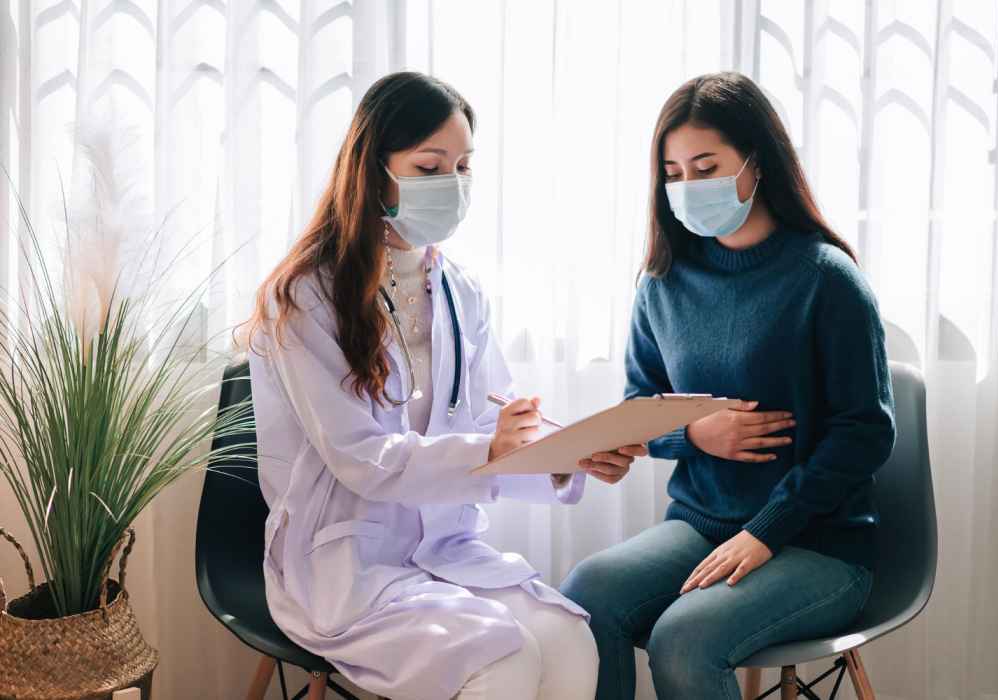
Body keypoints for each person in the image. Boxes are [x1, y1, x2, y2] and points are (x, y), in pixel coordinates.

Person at [243, 71, 645, 700]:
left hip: (444, 547)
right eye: (430, 167)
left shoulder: (460, 292)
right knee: (500, 658)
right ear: (373, 170)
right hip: (349, 563)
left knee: (569, 637)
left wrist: (569, 457)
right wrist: (490, 449)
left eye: (462, 167)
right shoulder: (303, 297)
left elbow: (496, 429)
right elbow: (361, 459)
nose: (452, 186)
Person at [560, 71, 896, 700]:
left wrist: (768, 529)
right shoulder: (663, 283)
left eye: (706, 166)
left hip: (817, 542)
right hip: (701, 525)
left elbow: (865, 432)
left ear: (756, 162)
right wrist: (694, 435)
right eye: (674, 171)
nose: (688, 186)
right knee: (585, 598)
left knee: (684, 637)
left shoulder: (827, 279)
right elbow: (641, 410)